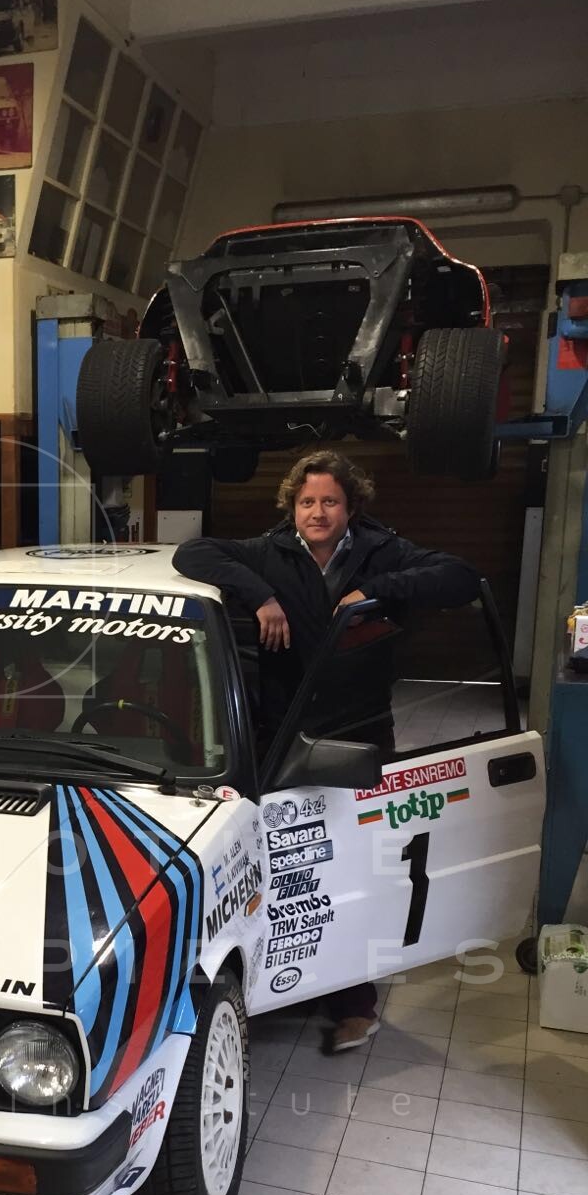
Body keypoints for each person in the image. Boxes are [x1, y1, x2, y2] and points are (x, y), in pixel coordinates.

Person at [173, 448, 480, 1052]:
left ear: (350, 506)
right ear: (292, 505)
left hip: (358, 730)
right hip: (282, 732)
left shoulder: (382, 551)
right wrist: (261, 595)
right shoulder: (268, 552)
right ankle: (282, 979)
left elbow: (460, 576)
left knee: (355, 865)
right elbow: (193, 553)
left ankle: (355, 1003)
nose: (317, 512)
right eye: (307, 501)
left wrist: (374, 591)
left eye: (330, 502)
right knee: (284, 864)